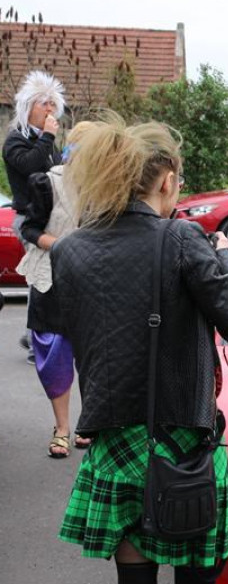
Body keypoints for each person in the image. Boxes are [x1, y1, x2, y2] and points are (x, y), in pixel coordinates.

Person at [51, 116, 228, 584]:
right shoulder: (186, 241)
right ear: (166, 180)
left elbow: (68, 327)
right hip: (186, 449)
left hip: (117, 449)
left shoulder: (71, 250)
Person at [17, 120, 96, 457]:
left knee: (95, 357)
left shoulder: (105, 187)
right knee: (54, 357)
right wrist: (60, 244)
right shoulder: (47, 183)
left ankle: (88, 424)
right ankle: (61, 427)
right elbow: (30, 229)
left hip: (93, 281)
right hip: (51, 280)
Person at [2, 70, 64, 364]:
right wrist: (49, 137)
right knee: (39, 278)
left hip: (49, 218)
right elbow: (30, 167)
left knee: (46, 278)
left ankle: (34, 334)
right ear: (28, 107)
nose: (50, 110)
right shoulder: (16, 141)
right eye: (43, 103)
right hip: (29, 220)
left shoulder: (47, 143)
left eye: (53, 104)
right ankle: (34, 341)